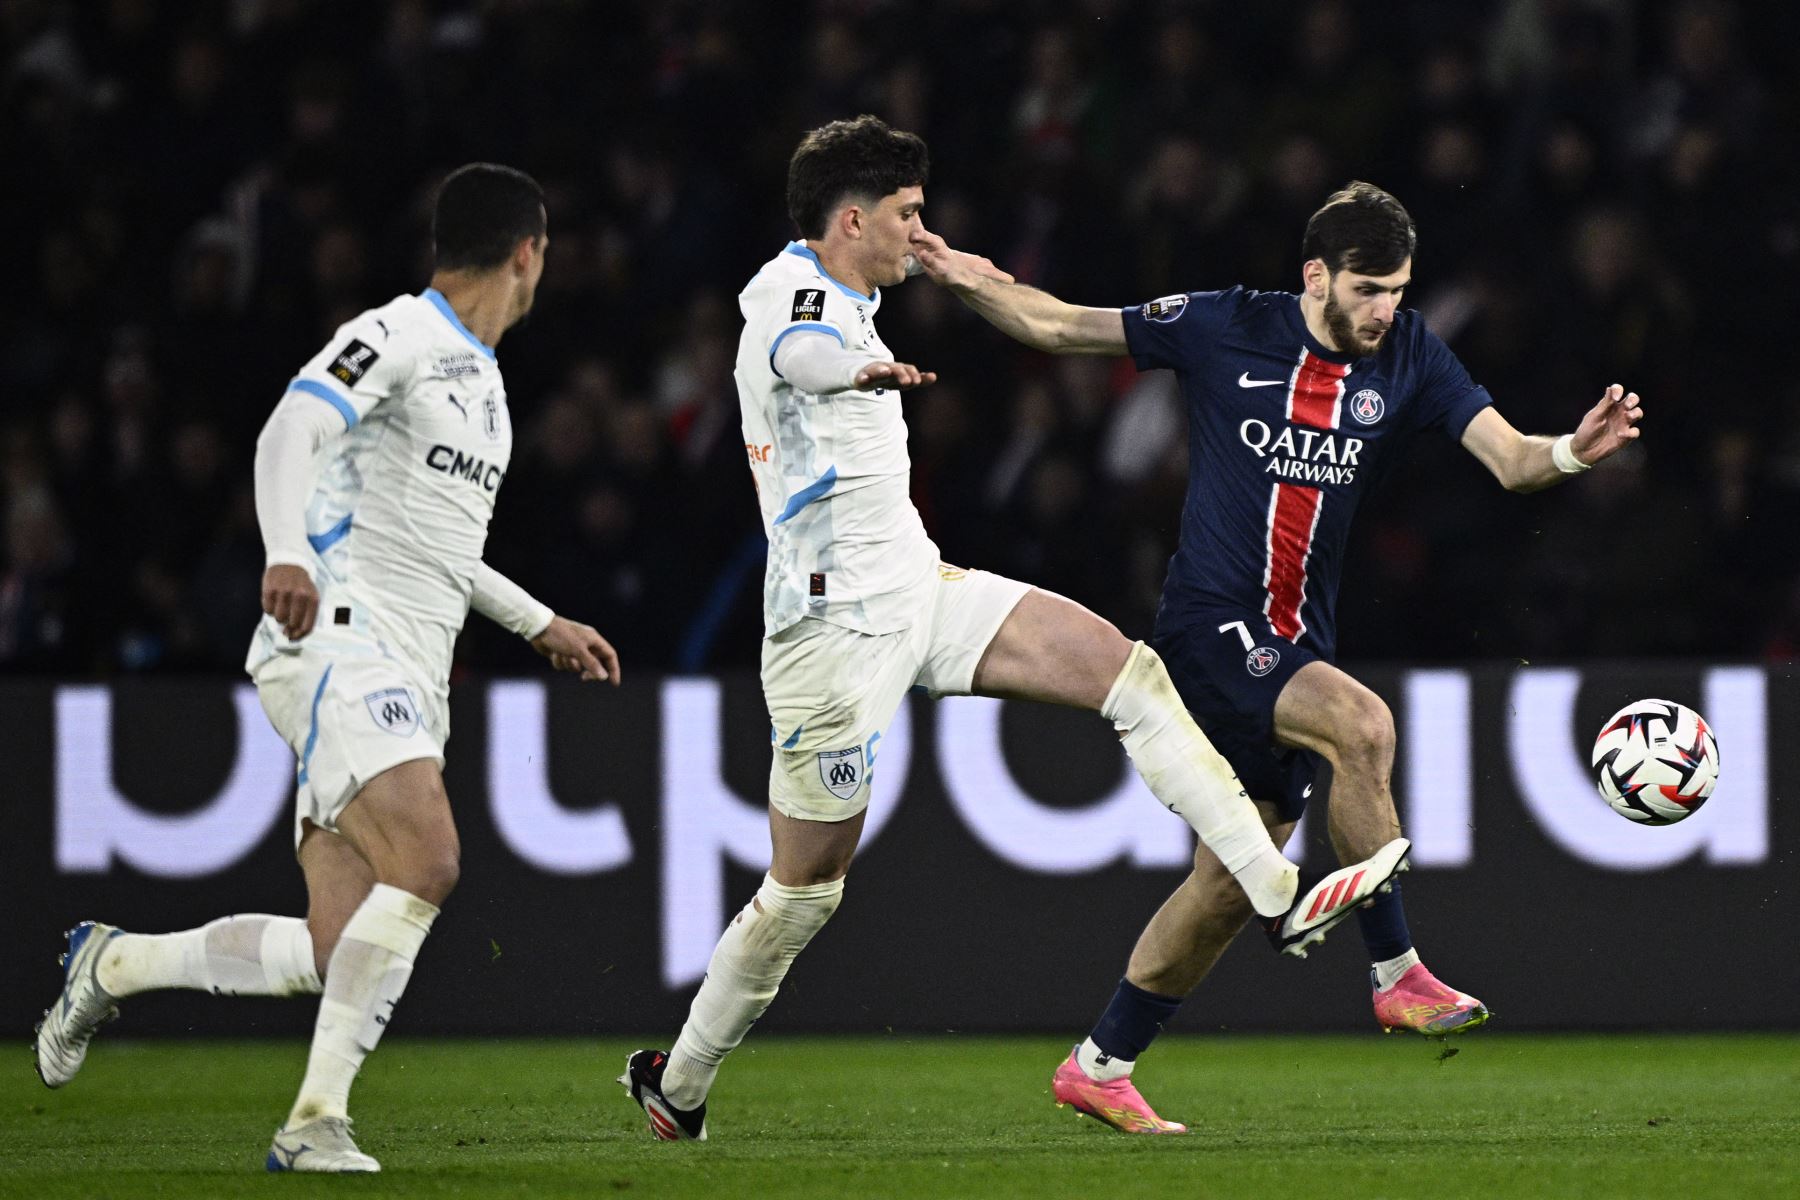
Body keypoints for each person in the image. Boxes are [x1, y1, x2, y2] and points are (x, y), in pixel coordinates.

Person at [619, 116, 1406, 1143]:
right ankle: (680, 1082)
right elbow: (798, 352)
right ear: (850, 220)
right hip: (828, 635)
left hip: (919, 586)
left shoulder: (858, 295)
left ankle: (1278, 893)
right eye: (905, 215)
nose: (918, 230)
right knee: (805, 890)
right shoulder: (795, 294)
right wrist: (856, 373)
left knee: (1130, 674)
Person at [910, 181, 1643, 1132]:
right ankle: (1397, 973)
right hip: (1211, 626)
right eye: (1369, 289)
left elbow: (1510, 461)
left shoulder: (1412, 353)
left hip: (1296, 641)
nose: (1386, 308)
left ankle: (1101, 1062)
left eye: (1398, 289)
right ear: (1317, 277)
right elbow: (1059, 328)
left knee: (1224, 885)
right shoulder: (1226, 326)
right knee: (1362, 725)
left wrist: (1575, 453)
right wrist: (966, 274)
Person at [33, 163, 621, 1173]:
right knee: (430, 860)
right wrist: (287, 553)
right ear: (528, 252)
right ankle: (312, 1123)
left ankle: (113, 963)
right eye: (544, 252)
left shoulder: (484, 382)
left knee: (331, 948)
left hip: (408, 665)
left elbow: (434, 545)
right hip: (342, 640)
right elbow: (291, 428)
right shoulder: (396, 333)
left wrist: (536, 622)